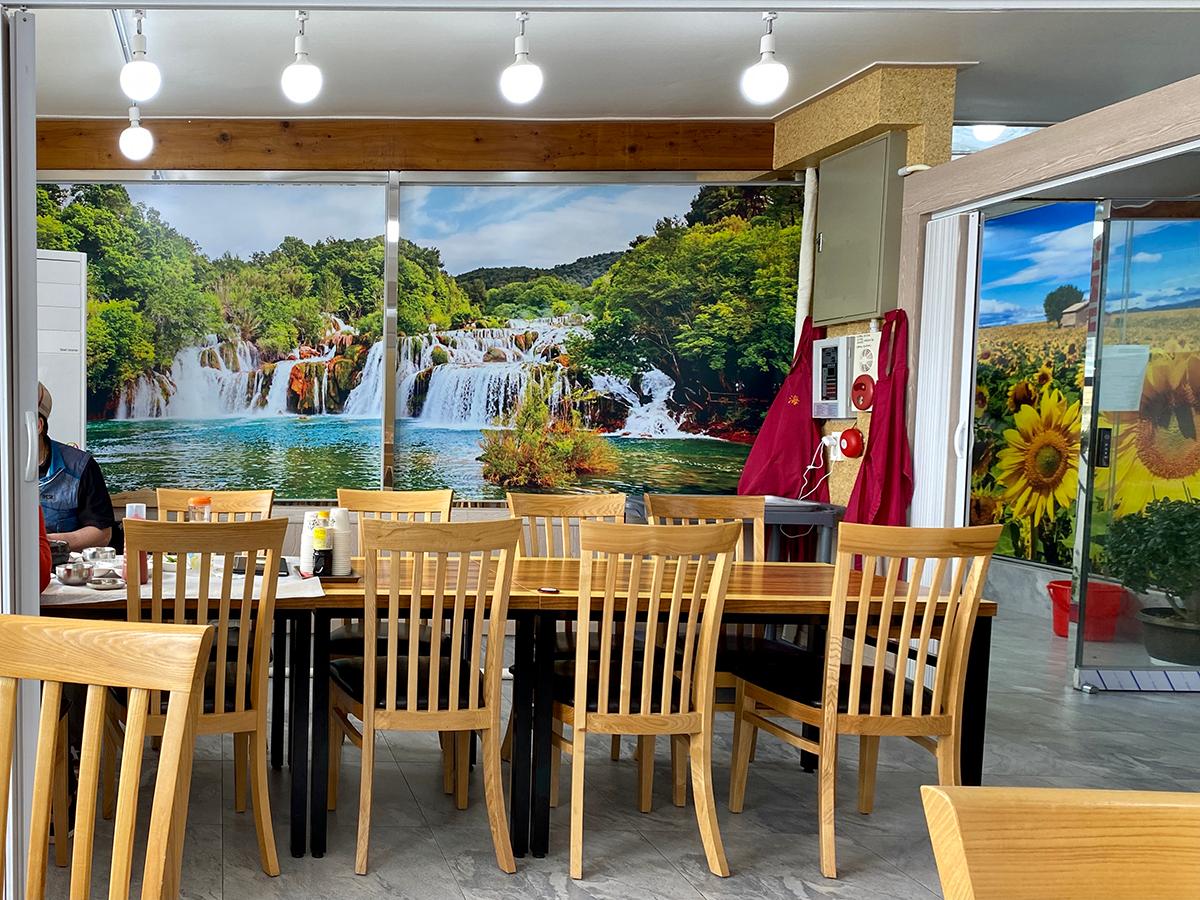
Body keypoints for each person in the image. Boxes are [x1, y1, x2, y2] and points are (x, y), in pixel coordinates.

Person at [37, 382, 114, 551]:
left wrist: (45, 542)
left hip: (63, 568)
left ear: (37, 425)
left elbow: (102, 534)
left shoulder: (80, 465)